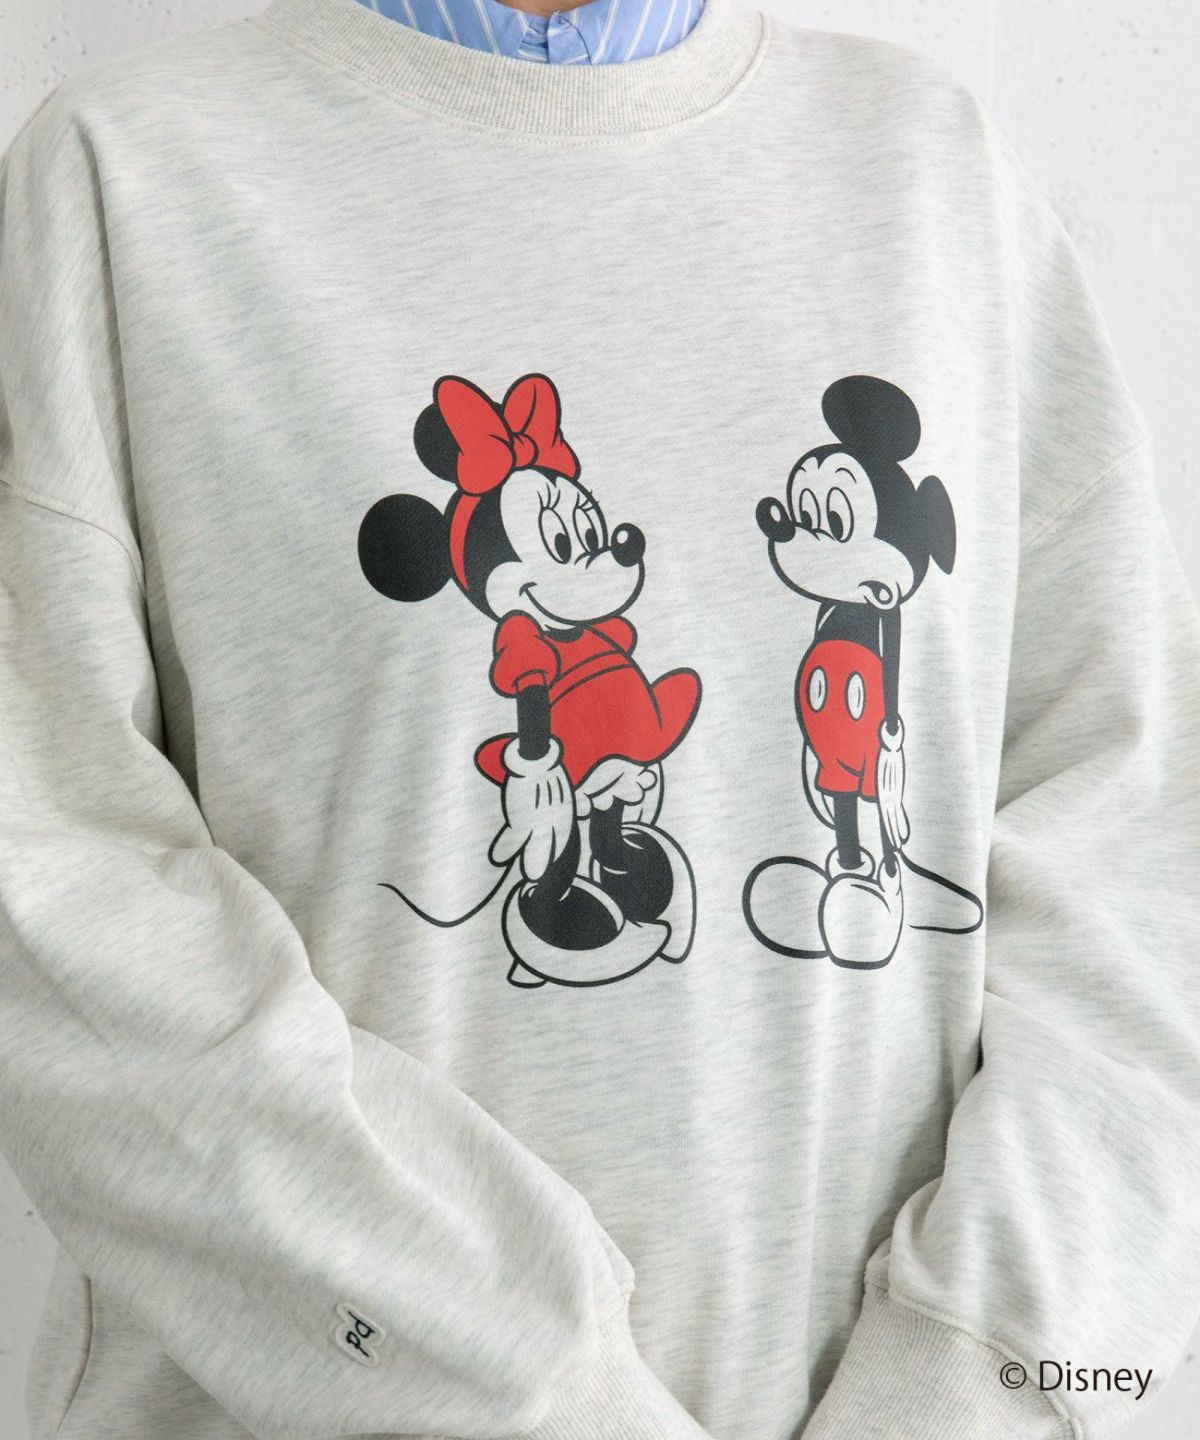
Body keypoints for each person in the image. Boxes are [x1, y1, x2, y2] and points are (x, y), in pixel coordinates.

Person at [1, 0, 1198, 1437]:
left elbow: (1147, 867)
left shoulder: (934, 171)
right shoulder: (129, 174)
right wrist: (544, 1395)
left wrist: (980, 1383)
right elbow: (51, 900)